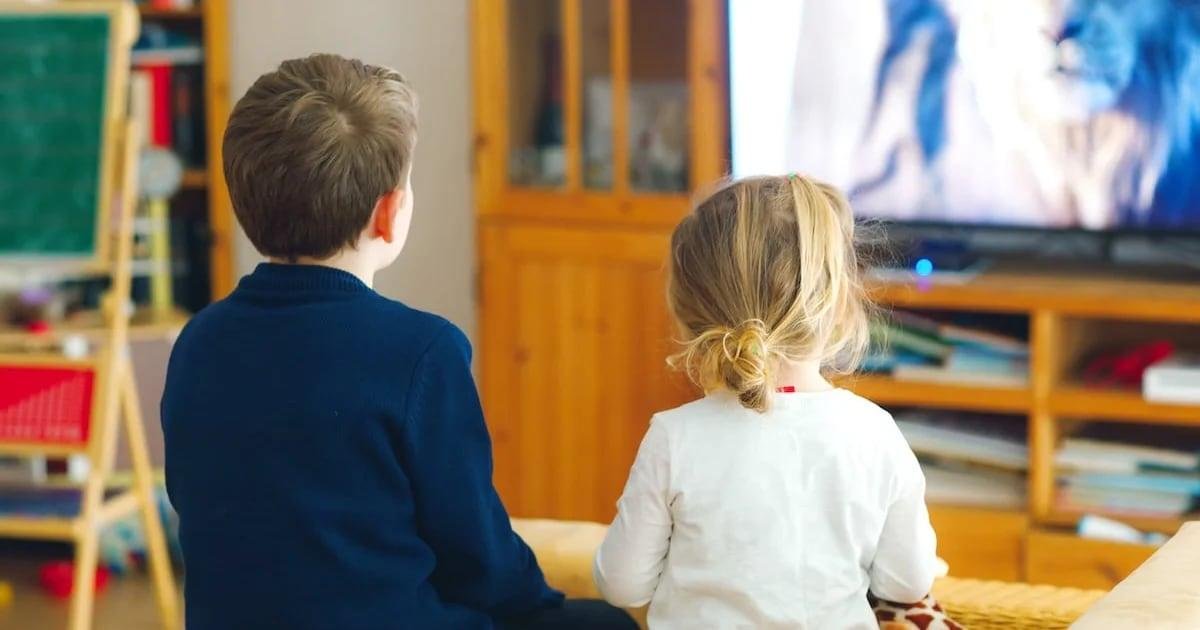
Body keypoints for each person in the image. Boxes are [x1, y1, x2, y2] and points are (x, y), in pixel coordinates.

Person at [161, 53, 636, 630]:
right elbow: (476, 552)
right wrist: (540, 603)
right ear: (389, 214)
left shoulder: (198, 341)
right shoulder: (422, 353)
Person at [594, 174, 940, 628]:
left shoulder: (674, 438)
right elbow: (907, 584)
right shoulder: (874, 433)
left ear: (689, 313)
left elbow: (622, 585)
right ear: (838, 308)